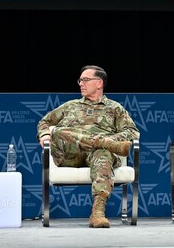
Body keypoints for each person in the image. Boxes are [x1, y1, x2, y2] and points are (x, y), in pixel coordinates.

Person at [37, 65, 140, 228]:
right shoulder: (70, 106)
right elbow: (45, 122)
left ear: (99, 83)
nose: (81, 83)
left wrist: (109, 138)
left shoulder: (114, 108)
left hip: (98, 155)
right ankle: (104, 143)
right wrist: (44, 134)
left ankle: (98, 213)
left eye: (85, 80)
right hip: (70, 155)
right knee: (57, 131)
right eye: (80, 80)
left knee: (103, 154)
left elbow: (133, 133)